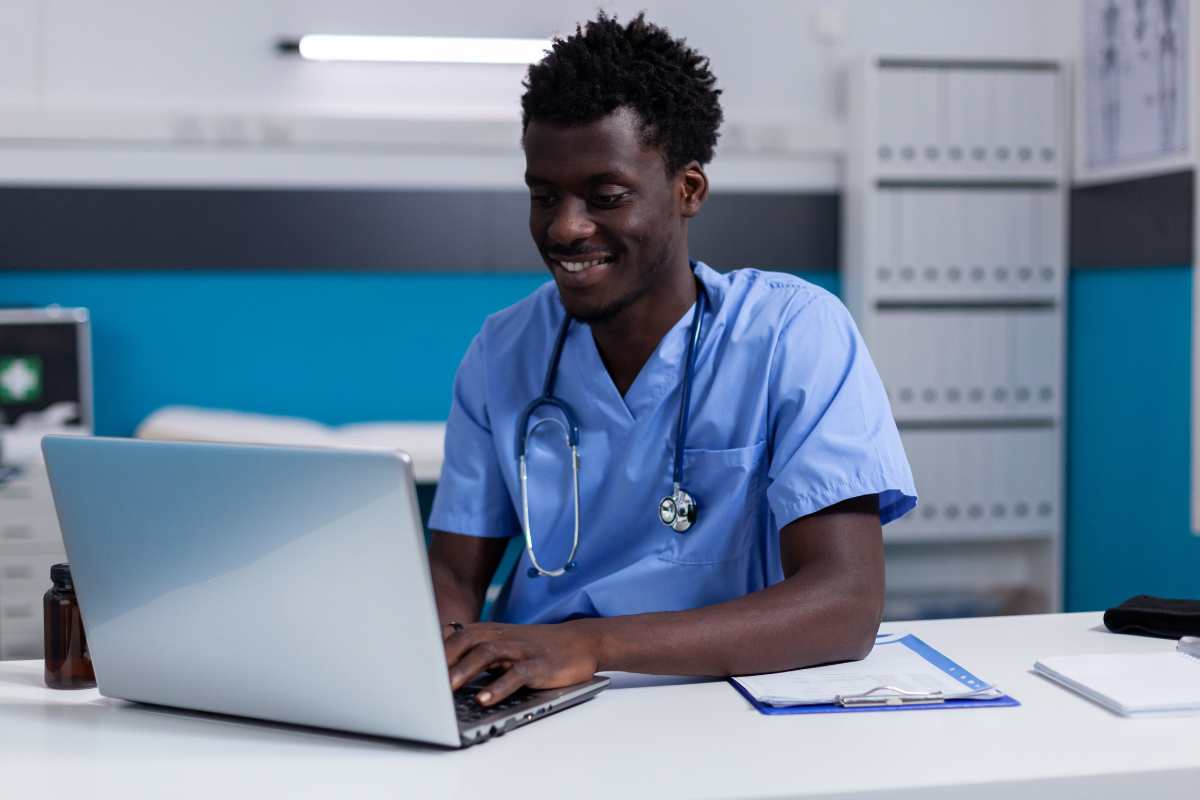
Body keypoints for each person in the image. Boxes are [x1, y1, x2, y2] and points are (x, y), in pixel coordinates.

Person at [428, 12, 916, 707]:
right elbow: (453, 572)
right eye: (543, 196)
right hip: (536, 702)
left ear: (688, 191)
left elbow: (844, 604)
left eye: (606, 197)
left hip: (728, 697)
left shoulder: (791, 334)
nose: (565, 227)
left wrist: (590, 644)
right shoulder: (504, 350)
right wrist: (443, 665)